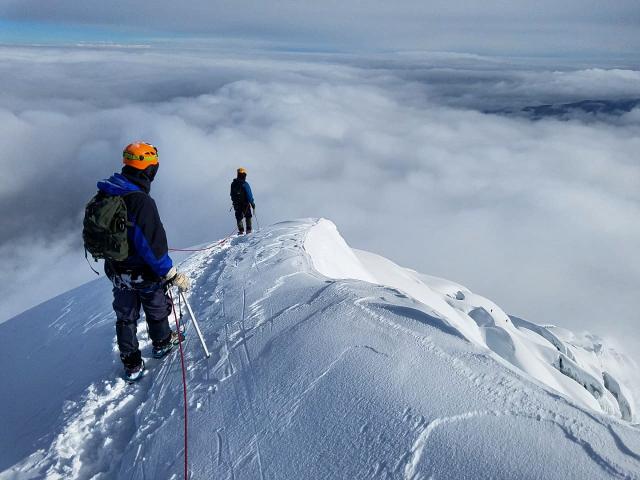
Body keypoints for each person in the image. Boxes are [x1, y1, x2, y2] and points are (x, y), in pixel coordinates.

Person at [94, 142, 190, 381]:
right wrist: (171, 273)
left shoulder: (109, 191)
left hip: (117, 268)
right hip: (142, 271)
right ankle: (161, 343)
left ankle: (132, 364)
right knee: (155, 306)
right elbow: (151, 245)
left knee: (125, 314)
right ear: (147, 170)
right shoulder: (141, 201)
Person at [230, 167, 256, 234]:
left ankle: (241, 231)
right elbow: (249, 194)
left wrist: (234, 202)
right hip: (245, 203)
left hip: (236, 204)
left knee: (238, 217)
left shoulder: (233, 184)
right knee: (248, 216)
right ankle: (248, 230)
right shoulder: (245, 184)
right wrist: (252, 203)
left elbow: (231, 194)